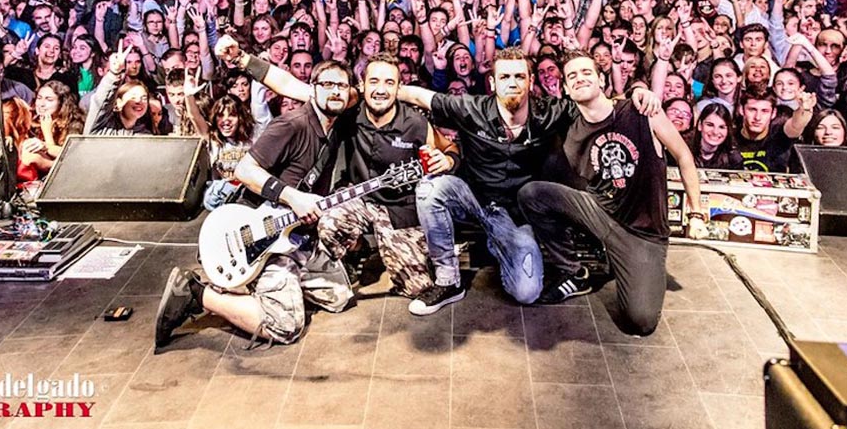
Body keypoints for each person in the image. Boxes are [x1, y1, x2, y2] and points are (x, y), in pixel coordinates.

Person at [396, 46, 662, 314]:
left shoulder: (551, 112)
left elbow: (596, 103)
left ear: (531, 81)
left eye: (520, 77)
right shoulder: (471, 108)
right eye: (505, 77)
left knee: (526, 292)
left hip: (514, 216)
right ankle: (448, 282)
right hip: (473, 199)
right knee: (431, 188)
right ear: (492, 83)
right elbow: (420, 96)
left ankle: (499, 244)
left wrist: (635, 95)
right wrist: (381, 89)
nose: (512, 83)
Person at [214, 38, 452, 302]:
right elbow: (289, 85)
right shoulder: (343, 106)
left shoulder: (412, 121)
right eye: (374, 82)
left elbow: (448, 147)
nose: (380, 90)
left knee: (418, 288)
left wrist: (449, 160)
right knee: (328, 221)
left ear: (399, 86)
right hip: (350, 202)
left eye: (389, 83)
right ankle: (339, 257)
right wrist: (242, 59)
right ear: (361, 86)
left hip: (397, 209)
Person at [155, 58, 356, 348]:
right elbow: (244, 171)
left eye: (341, 86)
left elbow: (286, 81)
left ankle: (269, 286)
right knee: (285, 326)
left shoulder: (335, 123)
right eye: (327, 84)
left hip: (296, 236)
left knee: (340, 298)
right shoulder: (291, 124)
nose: (335, 91)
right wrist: (293, 197)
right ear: (311, 89)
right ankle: (197, 293)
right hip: (261, 233)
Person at [518, 51, 708, 336]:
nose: (580, 78)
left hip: (643, 234)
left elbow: (683, 155)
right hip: (599, 213)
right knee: (532, 194)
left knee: (641, 321)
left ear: (601, 79)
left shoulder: (640, 112)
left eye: (586, 72)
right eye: (572, 76)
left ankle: (619, 262)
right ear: (567, 90)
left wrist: (696, 214)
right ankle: (573, 271)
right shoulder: (569, 129)